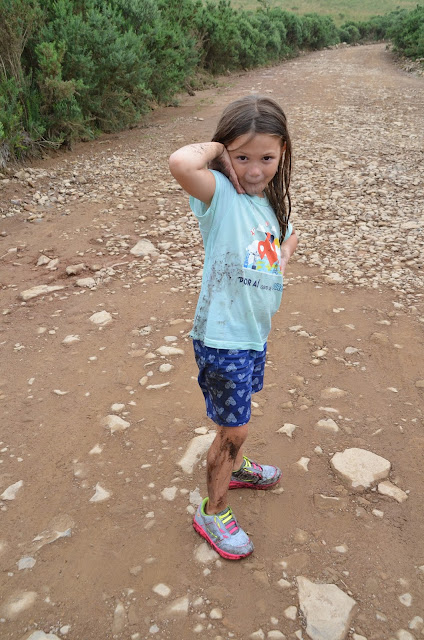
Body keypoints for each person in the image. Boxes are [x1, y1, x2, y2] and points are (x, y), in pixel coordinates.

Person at [169, 95, 298, 560]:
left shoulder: (268, 206)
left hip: (251, 335)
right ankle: (212, 510)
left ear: (282, 152)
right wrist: (219, 152)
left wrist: (280, 258)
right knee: (233, 428)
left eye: (266, 157)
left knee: (238, 417)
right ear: (225, 153)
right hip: (223, 339)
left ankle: (236, 468)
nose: (255, 169)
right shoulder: (219, 195)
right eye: (243, 157)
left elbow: (267, 254)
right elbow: (180, 161)